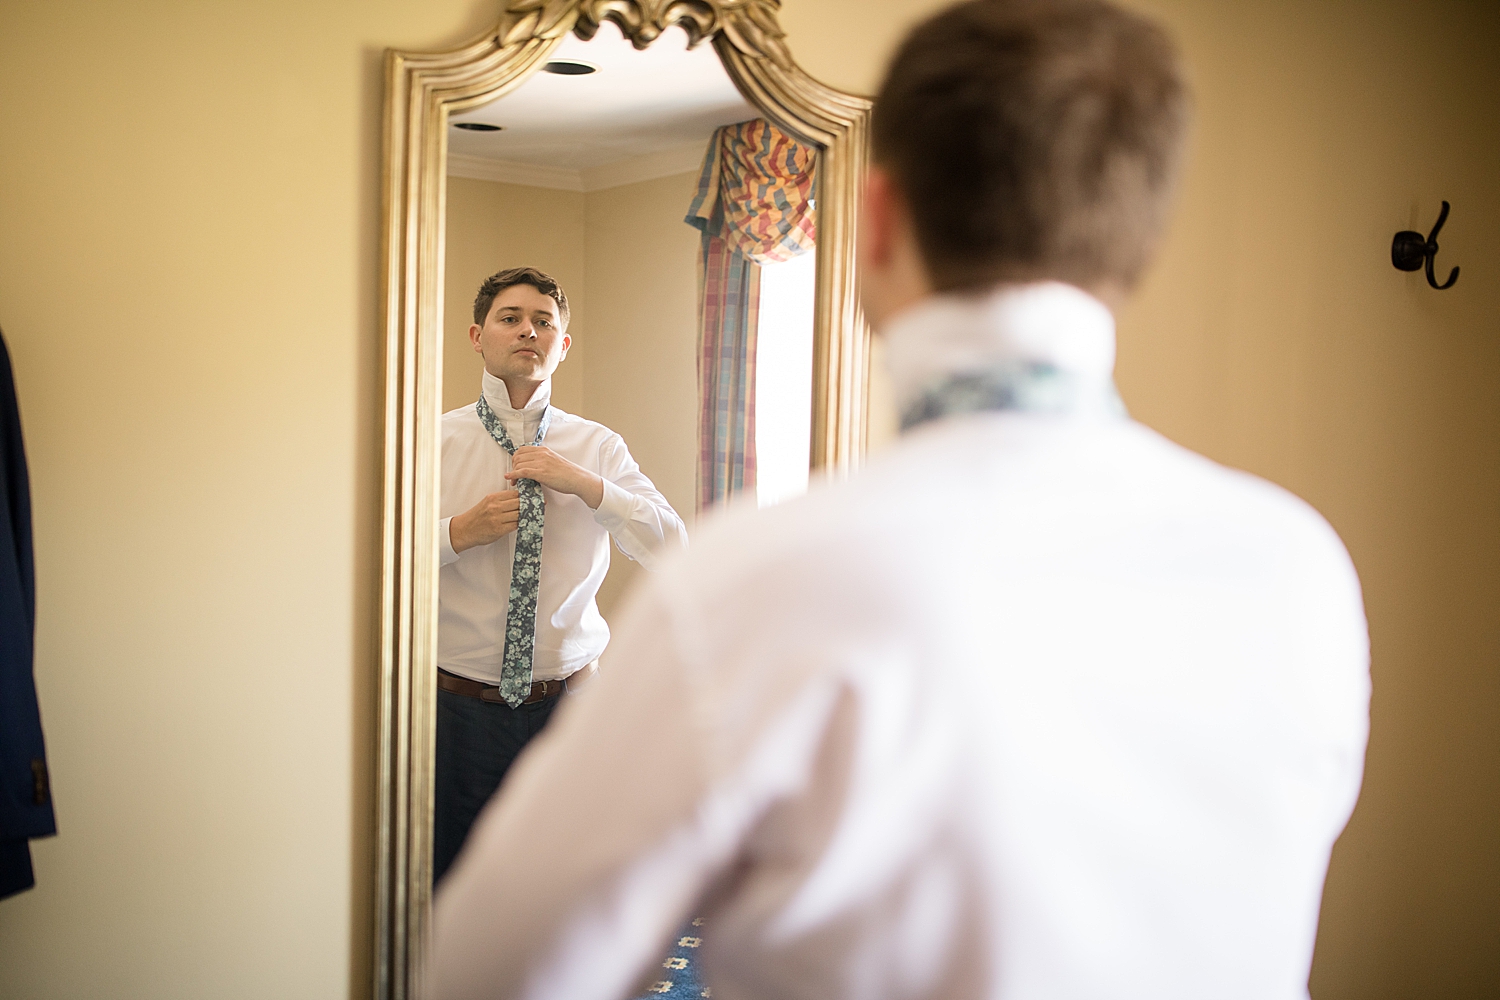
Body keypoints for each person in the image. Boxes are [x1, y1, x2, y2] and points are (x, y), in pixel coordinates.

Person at [432, 2, 1371, 997]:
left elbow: (491, 971)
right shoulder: (1297, 570)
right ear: (1143, 240)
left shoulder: (752, 581)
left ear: (873, 222)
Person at [433, 266, 687, 886]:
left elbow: (673, 545)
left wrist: (588, 486)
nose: (529, 331)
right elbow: (367, 558)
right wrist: (457, 533)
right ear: (477, 335)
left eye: (544, 321)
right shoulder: (427, 441)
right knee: (454, 887)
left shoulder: (597, 447)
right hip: (455, 710)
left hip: (571, 708)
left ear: (562, 344)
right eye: (511, 317)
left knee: (566, 888)